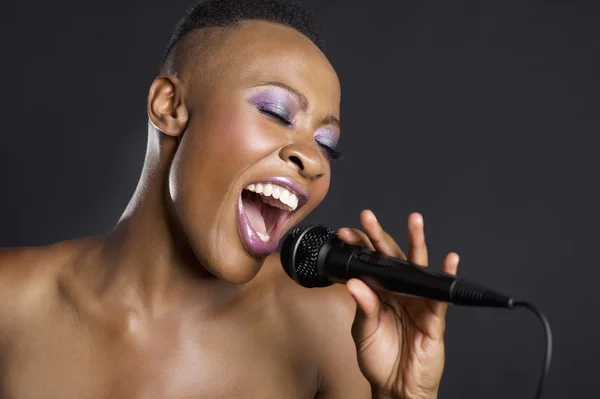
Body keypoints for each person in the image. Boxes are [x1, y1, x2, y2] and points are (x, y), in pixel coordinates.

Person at [0, 0, 460, 397]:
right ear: (170, 106)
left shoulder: (334, 331)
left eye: (327, 143)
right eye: (276, 112)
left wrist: (406, 397)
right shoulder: (12, 302)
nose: (313, 160)